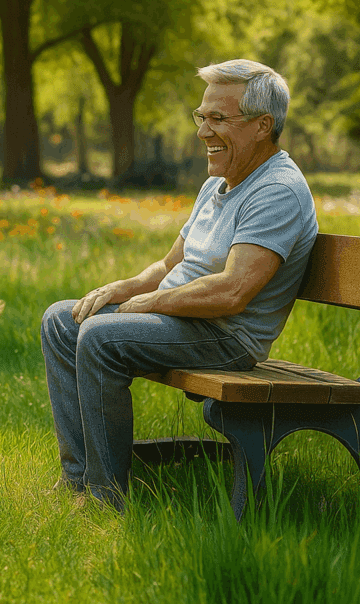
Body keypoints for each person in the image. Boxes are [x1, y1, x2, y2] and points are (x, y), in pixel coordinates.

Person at [41, 59, 319, 511]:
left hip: (228, 335)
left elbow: (233, 292)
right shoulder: (219, 183)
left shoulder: (278, 191)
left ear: (262, 126)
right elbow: (172, 262)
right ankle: (77, 481)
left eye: (218, 119)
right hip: (189, 320)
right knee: (62, 320)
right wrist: (125, 288)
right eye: (201, 117)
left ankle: (104, 497)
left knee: (100, 337)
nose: (202, 132)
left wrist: (152, 304)